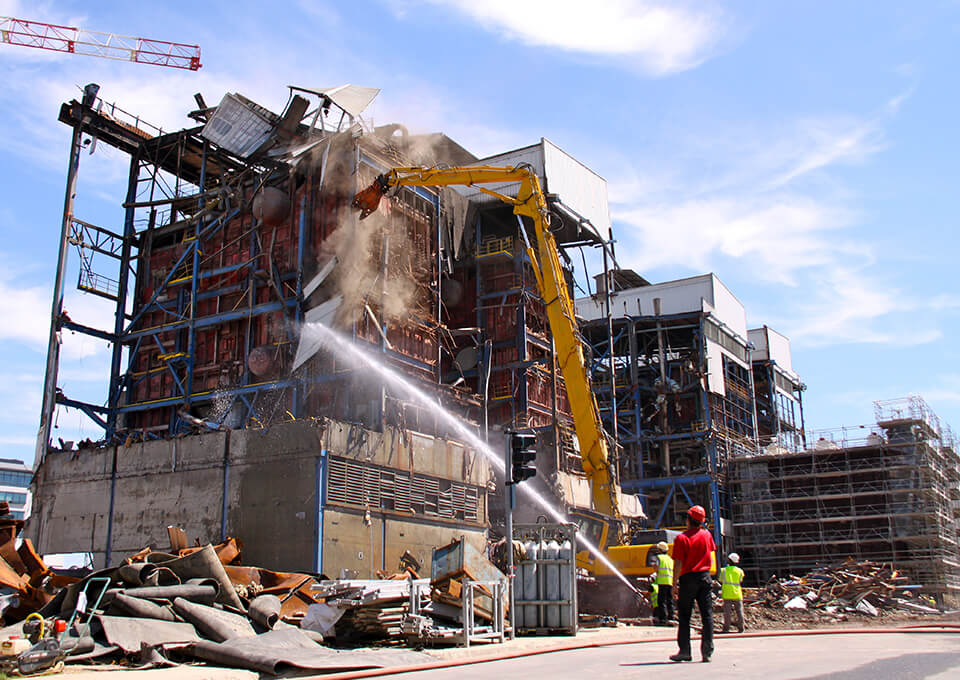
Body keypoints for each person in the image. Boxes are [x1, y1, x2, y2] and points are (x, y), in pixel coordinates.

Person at [669, 505, 717, 663]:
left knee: (684, 616)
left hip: (688, 578)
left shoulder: (682, 538)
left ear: (689, 520)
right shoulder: (707, 535)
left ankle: (685, 651)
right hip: (705, 577)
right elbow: (710, 553)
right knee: (707, 616)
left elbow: (678, 563)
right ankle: (707, 652)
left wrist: (674, 584)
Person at [720, 552, 745, 633]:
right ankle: (741, 628)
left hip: (727, 594)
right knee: (739, 611)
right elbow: (740, 580)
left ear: (729, 560)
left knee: (727, 613)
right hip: (737, 594)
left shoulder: (723, 570)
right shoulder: (740, 571)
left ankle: (726, 628)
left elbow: (720, 580)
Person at [652, 541, 674, 624]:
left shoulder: (658, 557)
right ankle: (671, 617)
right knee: (670, 601)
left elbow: (656, 568)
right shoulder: (670, 559)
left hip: (662, 582)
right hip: (670, 582)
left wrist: (654, 567)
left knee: (661, 601)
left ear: (660, 550)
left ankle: (663, 619)